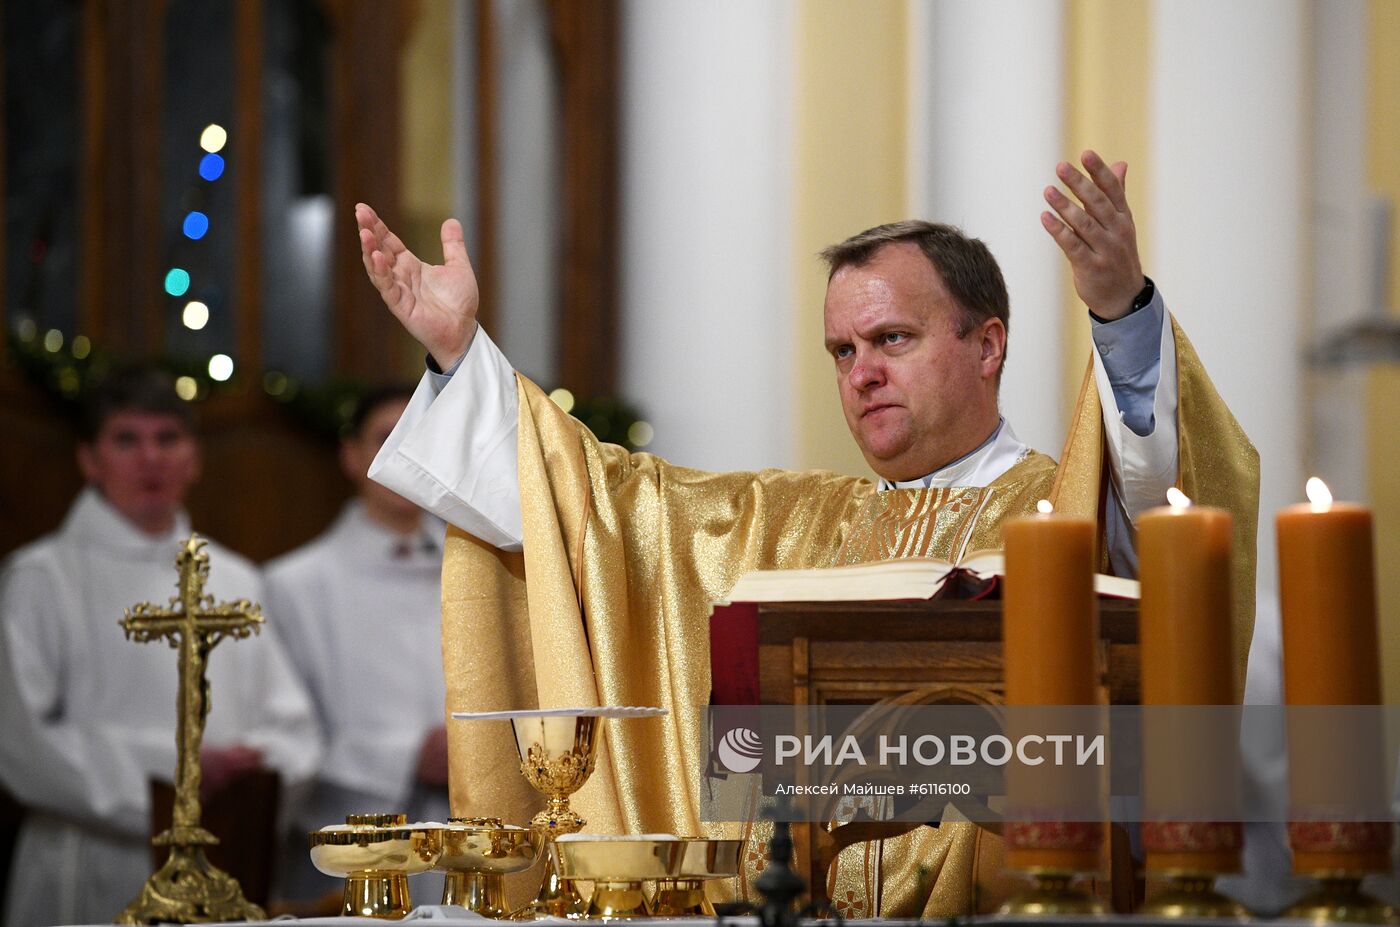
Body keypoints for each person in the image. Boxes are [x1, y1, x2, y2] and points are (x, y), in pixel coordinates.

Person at [356, 151, 1259, 915]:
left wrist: (1121, 312)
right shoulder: (785, 524)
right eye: (842, 351)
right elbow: (591, 510)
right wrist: (459, 355)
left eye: (892, 339)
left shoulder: (1060, 512)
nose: (861, 372)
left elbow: (1173, 515)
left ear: (988, 345)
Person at [0, 367, 321, 927]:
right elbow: (22, 745)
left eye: (168, 438)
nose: (151, 458)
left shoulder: (237, 579)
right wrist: (178, 775)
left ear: (194, 458)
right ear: (89, 460)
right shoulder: (41, 578)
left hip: (222, 862)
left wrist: (249, 775)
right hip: (90, 865)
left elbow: (295, 732)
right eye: (127, 439)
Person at [263, 386, 450, 901]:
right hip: (346, 853)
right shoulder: (295, 585)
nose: (404, 455)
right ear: (351, 456)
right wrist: (407, 758)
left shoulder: (479, 579)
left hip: (464, 850)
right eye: (386, 438)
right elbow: (284, 734)